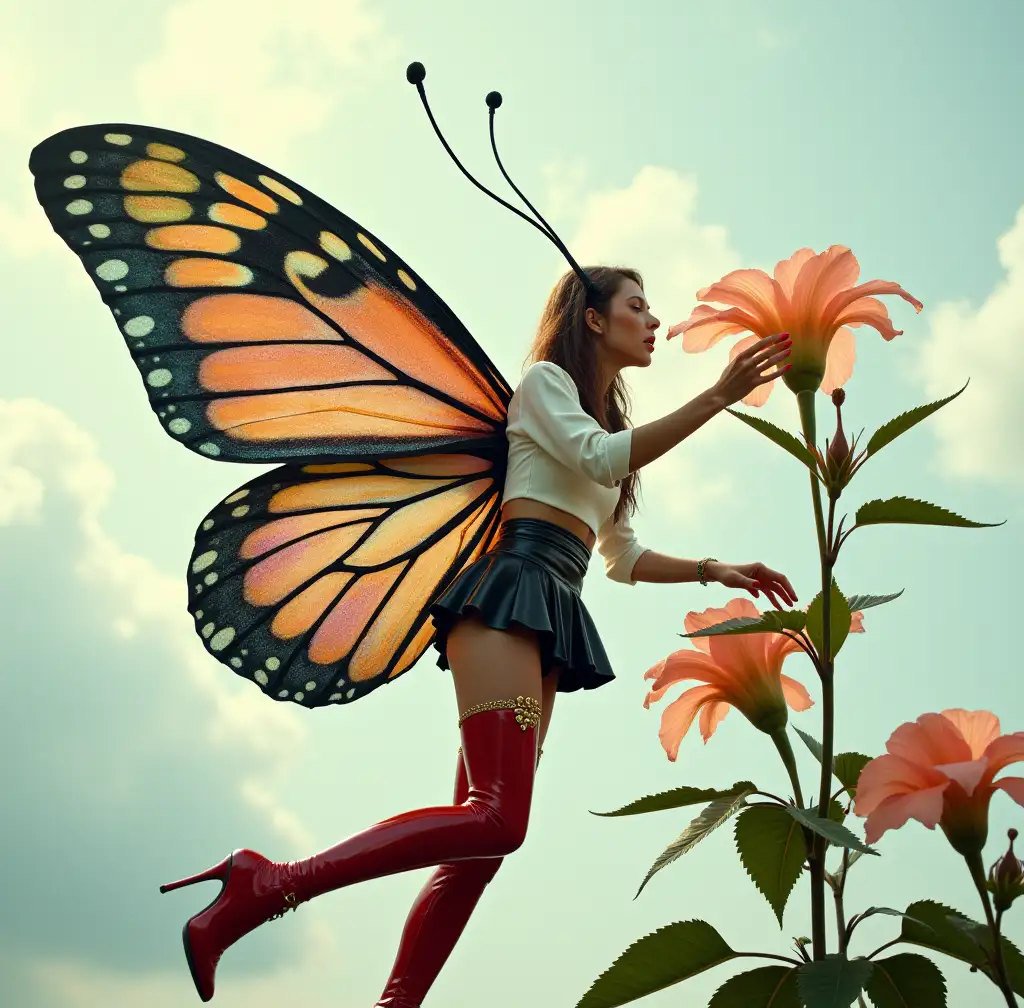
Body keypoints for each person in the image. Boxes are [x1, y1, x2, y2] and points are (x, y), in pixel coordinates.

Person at [159, 263, 796, 1005]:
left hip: (553, 610)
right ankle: (269, 884)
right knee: (498, 816)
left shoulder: (610, 426)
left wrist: (715, 568)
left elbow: (618, 556)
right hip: (509, 593)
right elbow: (597, 461)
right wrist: (718, 395)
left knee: (482, 845)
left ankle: (393, 1002)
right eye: (637, 307)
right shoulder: (544, 387)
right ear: (593, 318)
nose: (653, 321)